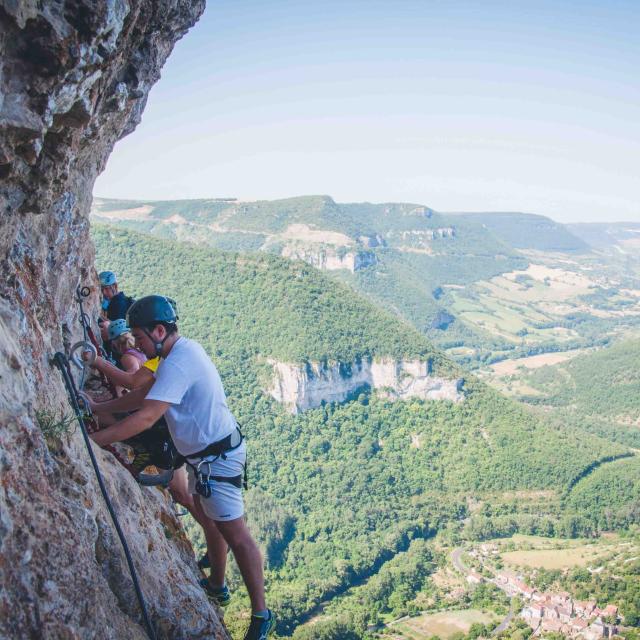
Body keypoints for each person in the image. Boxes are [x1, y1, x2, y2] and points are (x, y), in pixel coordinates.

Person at [90, 295, 274, 639]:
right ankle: (218, 585)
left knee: (235, 534)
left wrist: (96, 441)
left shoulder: (177, 363)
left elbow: (146, 416)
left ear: (159, 331)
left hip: (217, 460)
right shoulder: (173, 354)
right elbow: (141, 393)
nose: (139, 345)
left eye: (141, 338)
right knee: (210, 519)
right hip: (203, 457)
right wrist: (100, 408)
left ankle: (262, 614)